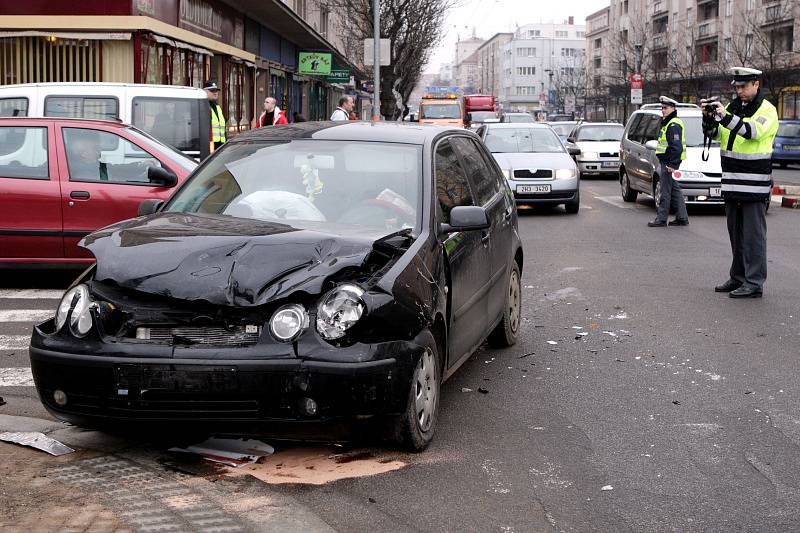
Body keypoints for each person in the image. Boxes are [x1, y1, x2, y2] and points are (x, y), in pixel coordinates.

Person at [701, 67, 779, 298]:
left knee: (754, 237)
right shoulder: (735, 107)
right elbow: (718, 136)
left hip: (754, 184)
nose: (739, 90)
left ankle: (754, 282)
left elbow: (751, 132)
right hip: (732, 182)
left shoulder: (767, 110)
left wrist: (724, 116)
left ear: (756, 84)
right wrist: (708, 120)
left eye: (743, 86)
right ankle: (738, 277)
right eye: (736, 86)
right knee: (736, 236)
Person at [648, 96, 688, 227]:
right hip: (666, 161)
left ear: (673, 108)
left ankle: (661, 219)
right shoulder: (669, 122)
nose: (663, 110)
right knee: (675, 190)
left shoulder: (673, 124)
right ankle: (682, 218)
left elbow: (676, 147)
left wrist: (672, 164)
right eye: (662, 108)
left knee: (665, 191)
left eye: (666, 108)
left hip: (668, 162)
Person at [204, 80, 226, 151]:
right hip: (210, 146)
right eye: (212, 91)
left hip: (221, 146)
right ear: (205, 91)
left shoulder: (217, 106)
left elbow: (222, 127)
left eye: (216, 91)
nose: (215, 93)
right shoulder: (204, 106)